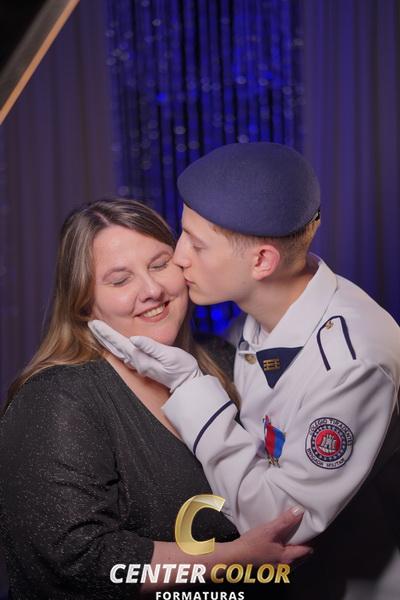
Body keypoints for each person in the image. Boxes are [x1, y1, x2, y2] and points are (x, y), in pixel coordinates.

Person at [90, 143, 400, 600]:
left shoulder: (351, 363)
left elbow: (275, 525)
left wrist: (188, 386)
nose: (178, 257)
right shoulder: (255, 317)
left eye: (196, 244)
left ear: (261, 261)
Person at [0, 198, 310, 600]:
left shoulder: (222, 359)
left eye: (160, 264)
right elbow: (79, 559)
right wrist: (233, 558)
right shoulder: (57, 399)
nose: (152, 291)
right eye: (119, 280)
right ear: (84, 304)